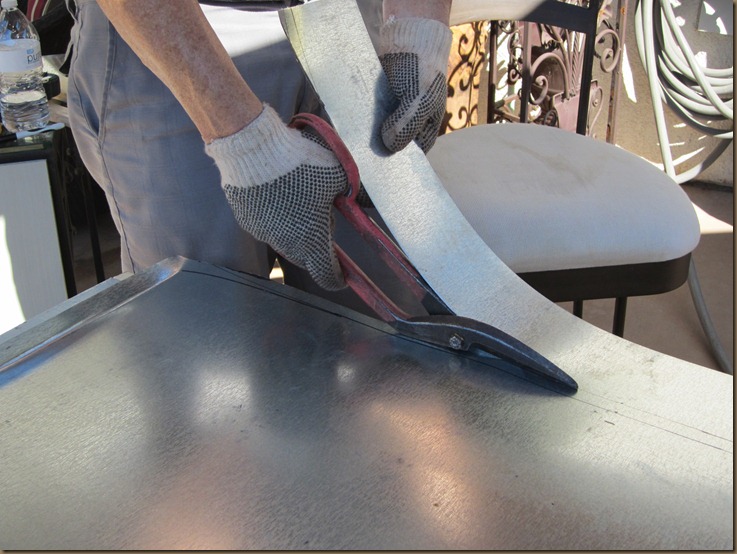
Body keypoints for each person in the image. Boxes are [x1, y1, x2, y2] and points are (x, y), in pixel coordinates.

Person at [66, 0, 453, 298]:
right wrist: (246, 145)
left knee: (394, 342)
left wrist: (420, 25)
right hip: (177, 31)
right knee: (210, 339)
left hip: (352, 24)